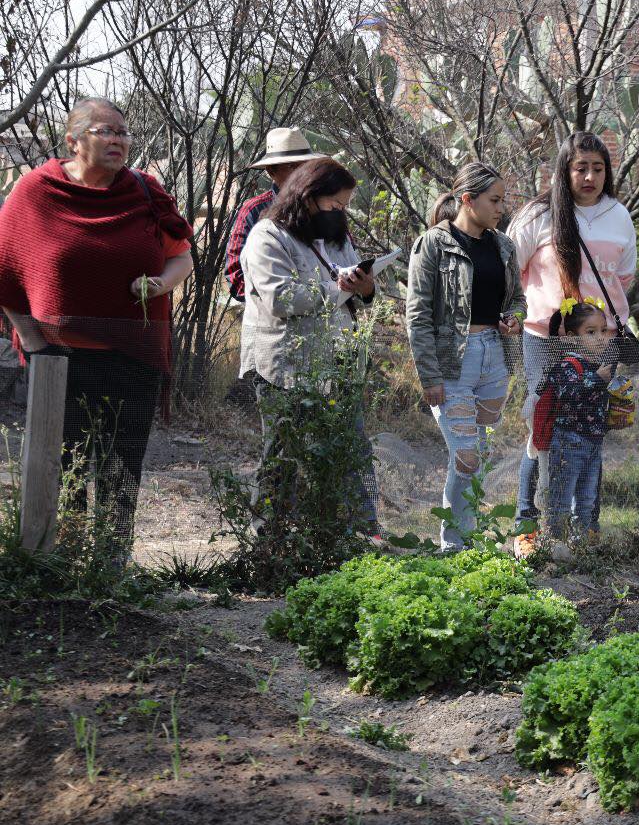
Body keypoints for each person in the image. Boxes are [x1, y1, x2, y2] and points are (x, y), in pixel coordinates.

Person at [0, 97, 193, 563]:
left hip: (134, 358)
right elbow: (4, 269)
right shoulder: (36, 190)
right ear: (73, 140)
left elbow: (181, 256)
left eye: (123, 133)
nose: (118, 141)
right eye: (106, 131)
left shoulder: (145, 192)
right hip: (60, 359)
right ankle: (61, 564)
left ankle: (111, 564)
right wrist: (32, 340)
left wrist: (160, 284)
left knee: (121, 466)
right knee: (64, 463)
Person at [508, 132, 636, 556]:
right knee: (542, 430)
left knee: (589, 432)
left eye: (598, 168)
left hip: (601, 343)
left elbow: (624, 278)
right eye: (580, 167)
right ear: (564, 170)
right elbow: (511, 268)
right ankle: (529, 527)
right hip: (547, 340)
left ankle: (585, 528)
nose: (590, 176)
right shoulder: (538, 215)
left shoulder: (619, 215)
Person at [238, 158, 379, 536]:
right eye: (335, 205)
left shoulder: (334, 235)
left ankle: (348, 535)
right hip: (283, 366)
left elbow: (355, 282)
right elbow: (280, 298)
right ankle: (268, 542)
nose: (340, 213)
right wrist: (338, 291)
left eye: (345, 206)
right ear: (308, 197)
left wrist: (365, 286)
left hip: (337, 364)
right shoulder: (268, 236)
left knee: (347, 451)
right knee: (284, 456)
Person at [406, 162, 525, 551]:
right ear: (467, 200)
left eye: (503, 201)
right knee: (467, 455)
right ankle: (454, 545)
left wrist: (515, 318)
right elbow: (418, 314)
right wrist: (429, 376)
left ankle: (464, 541)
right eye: (494, 200)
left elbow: (518, 300)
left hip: (495, 358)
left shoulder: (503, 245)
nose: (501, 209)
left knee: (479, 454)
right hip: (453, 363)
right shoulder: (433, 244)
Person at [539, 299, 612, 546]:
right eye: (591, 332)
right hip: (570, 441)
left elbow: (595, 404)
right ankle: (555, 543)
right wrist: (597, 380)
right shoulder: (567, 365)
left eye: (604, 331)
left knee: (587, 497)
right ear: (571, 337)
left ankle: (580, 543)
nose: (601, 337)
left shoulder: (597, 366)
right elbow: (568, 395)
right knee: (561, 496)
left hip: (593, 442)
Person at [224, 127, 325, 302]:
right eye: (292, 166)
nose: (302, 173)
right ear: (271, 171)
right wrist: (279, 298)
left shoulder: (326, 207)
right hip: (272, 322)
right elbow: (236, 279)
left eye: (306, 165)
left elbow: (345, 258)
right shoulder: (253, 210)